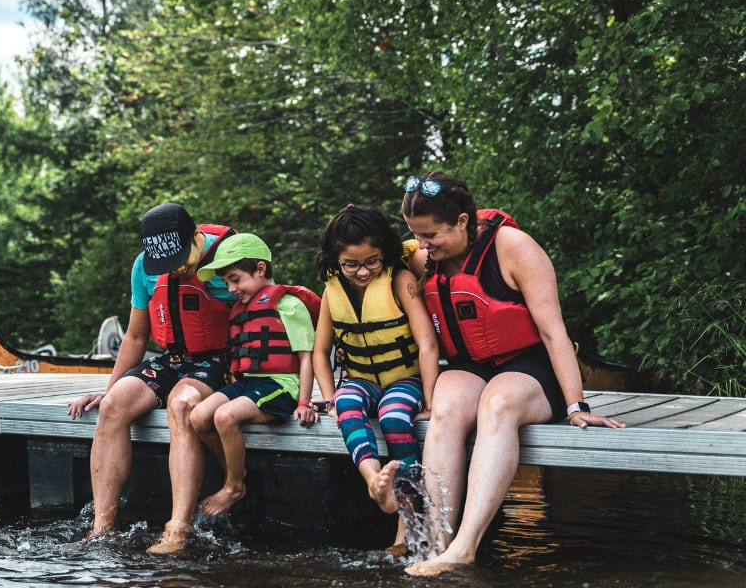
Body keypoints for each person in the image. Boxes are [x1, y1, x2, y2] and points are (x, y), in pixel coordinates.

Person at [399, 171, 626, 576]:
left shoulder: (514, 248)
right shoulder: (422, 257)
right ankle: (436, 543)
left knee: (498, 404)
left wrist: (576, 405)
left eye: (431, 235)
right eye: (415, 235)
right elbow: (364, 259)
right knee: (445, 410)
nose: (423, 245)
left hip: (532, 367)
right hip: (472, 364)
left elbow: (554, 331)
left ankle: (464, 547)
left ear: (463, 222)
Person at [66, 203, 236, 553]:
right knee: (113, 405)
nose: (175, 269)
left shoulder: (231, 256)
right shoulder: (143, 267)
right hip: (174, 358)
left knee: (181, 402)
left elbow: (267, 312)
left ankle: (178, 528)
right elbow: (136, 338)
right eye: (166, 264)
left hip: (222, 360)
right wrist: (108, 389)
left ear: (196, 236)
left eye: (181, 259)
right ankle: (102, 527)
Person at [311, 204, 439, 554]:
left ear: (385, 253)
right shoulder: (332, 290)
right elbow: (320, 351)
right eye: (351, 263)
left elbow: (427, 343)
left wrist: (430, 400)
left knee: (394, 417)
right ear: (336, 259)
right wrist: (329, 397)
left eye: (372, 261)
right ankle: (374, 481)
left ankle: (407, 523)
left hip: (405, 378)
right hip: (363, 379)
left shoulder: (400, 280)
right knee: (348, 405)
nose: (362, 271)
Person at [187, 233, 322, 519]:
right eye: (226, 282)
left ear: (260, 269)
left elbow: (305, 357)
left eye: (235, 279)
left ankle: (235, 486)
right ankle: (234, 470)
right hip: (250, 383)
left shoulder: (289, 305)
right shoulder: (241, 309)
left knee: (224, 417)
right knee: (199, 416)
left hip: (282, 386)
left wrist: (304, 402)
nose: (231, 288)